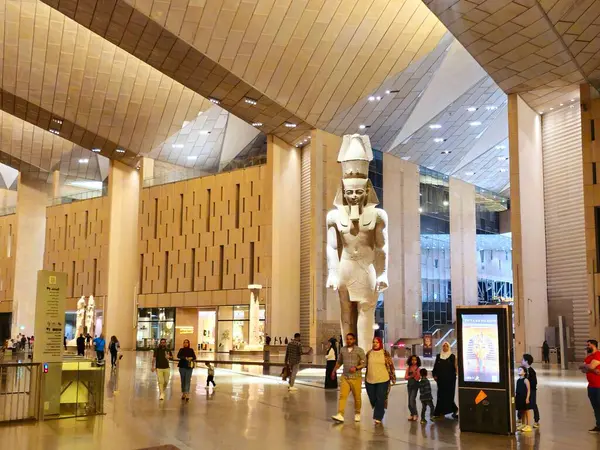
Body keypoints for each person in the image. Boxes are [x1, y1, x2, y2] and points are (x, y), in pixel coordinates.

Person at [331, 333, 366, 423]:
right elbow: (339, 362)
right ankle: (340, 414)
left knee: (357, 397)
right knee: (342, 396)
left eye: (351, 339)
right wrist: (334, 371)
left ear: (354, 340)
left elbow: (364, 363)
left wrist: (356, 368)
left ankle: (357, 413)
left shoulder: (359, 350)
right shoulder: (343, 350)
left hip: (356, 377)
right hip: (345, 377)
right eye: (347, 339)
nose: (349, 340)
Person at [365, 337, 396, 424]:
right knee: (372, 397)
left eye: (377, 342)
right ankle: (380, 408)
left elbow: (391, 365)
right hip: (370, 379)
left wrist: (393, 377)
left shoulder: (385, 353)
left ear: (380, 343)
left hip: (383, 379)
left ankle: (378, 416)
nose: (375, 344)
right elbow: (364, 364)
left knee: (380, 398)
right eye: (373, 342)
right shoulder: (369, 353)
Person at [432, 341, 459, 419]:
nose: (445, 347)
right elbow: (435, 367)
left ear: (449, 347)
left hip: (450, 381)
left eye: (446, 346)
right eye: (444, 346)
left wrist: (455, 374)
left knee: (449, 396)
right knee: (440, 396)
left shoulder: (452, 356)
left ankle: (454, 410)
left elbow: (455, 368)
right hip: (441, 380)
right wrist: (434, 375)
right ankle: (440, 412)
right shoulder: (438, 356)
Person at [580, 339, 600, 433]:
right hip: (591, 386)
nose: (587, 347)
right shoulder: (588, 357)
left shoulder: (598, 355)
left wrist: (588, 367)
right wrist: (592, 369)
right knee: (595, 407)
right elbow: (582, 369)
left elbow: (589, 367)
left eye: (588, 345)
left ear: (593, 345)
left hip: (598, 386)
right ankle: (598, 425)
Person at [522, 354, 539, 428]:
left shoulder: (531, 371)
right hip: (524, 391)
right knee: (522, 404)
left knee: (533, 404)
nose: (521, 361)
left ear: (526, 361)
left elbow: (534, 382)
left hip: (532, 391)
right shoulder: (523, 370)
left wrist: (529, 386)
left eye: (523, 360)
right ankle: (521, 420)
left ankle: (536, 420)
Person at [515, 366, 533, 432]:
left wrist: (527, 398)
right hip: (519, 397)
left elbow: (528, 390)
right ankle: (523, 424)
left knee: (526, 410)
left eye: (521, 370)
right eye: (518, 370)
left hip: (524, 397)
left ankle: (528, 425)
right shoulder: (518, 380)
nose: (519, 371)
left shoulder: (526, 380)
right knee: (521, 410)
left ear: (524, 372)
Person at [404, 354, 421, 421]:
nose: (414, 361)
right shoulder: (408, 368)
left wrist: (416, 374)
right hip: (409, 386)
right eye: (412, 360)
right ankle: (412, 414)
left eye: (415, 360)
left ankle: (415, 414)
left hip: (415, 386)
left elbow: (418, 378)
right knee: (409, 403)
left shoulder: (418, 369)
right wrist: (411, 375)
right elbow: (405, 377)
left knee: (412, 400)